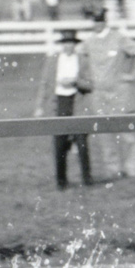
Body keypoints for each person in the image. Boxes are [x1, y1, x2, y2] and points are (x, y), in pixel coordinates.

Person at [81, 9, 135, 179]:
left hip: (120, 93)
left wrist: (134, 74)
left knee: (127, 133)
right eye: (93, 21)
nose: (96, 24)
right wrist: (87, 80)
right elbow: (80, 62)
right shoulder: (88, 43)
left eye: (98, 21)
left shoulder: (118, 38)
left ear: (104, 21)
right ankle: (113, 171)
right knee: (104, 134)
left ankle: (134, 170)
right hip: (99, 94)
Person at [34, 30, 94, 189]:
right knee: (59, 144)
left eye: (71, 44)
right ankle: (61, 181)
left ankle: (87, 179)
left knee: (82, 143)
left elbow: (90, 85)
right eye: (65, 43)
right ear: (62, 45)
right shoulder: (53, 61)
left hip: (77, 103)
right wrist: (40, 106)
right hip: (59, 104)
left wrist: (75, 82)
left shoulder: (82, 60)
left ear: (75, 45)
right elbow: (45, 84)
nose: (68, 47)